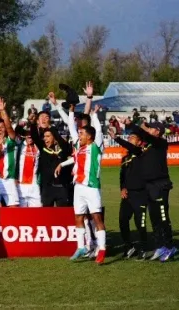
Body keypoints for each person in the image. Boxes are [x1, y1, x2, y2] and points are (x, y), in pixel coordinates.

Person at [62, 81, 107, 264]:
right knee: (78, 217)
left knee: (96, 218)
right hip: (78, 187)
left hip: (91, 187)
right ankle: (81, 246)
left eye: (82, 134)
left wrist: (94, 115)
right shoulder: (78, 148)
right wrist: (72, 110)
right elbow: (71, 127)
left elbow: (98, 132)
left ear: (89, 136)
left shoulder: (96, 146)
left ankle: (102, 249)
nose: (78, 135)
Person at [120, 118, 176, 261]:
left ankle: (170, 247)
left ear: (157, 131)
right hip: (149, 187)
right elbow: (132, 148)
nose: (148, 130)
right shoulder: (146, 148)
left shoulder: (160, 143)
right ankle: (159, 246)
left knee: (163, 218)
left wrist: (130, 124)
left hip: (160, 185)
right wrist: (116, 138)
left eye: (151, 128)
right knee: (154, 218)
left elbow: (145, 135)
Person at [108, 129, 148, 260]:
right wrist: (123, 188)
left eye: (133, 137)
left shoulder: (141, 153)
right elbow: (122, 176)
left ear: (139, 141)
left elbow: (132, 148)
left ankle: (143, 248)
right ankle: (129, 246)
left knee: (139, 222)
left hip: (140, 194)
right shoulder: (125, 158)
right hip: (128, 195)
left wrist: (117, 138)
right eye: (129, 137)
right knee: (123, 220)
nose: (130, 139)